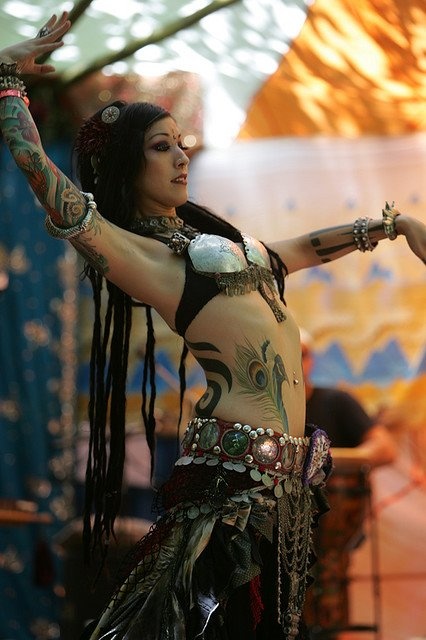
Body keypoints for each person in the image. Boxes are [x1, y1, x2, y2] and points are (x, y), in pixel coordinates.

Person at [0, 13, 425, 640]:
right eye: (160, 147)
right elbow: (44, 176)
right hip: (230, 497)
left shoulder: (224, 246)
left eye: (181, 143)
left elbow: (297, 249)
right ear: (127, 165)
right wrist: (8, 81)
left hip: (283, 490)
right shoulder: (140, 257)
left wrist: (391, 227)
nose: (181, 156)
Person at [300, 331, 397, 637]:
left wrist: (330, 460)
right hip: (278, 532)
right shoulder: (267, 411)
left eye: (301, 354)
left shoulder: (336, 401)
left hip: (333, 528)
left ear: (310, 360)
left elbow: (385, 449)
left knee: (328, 579)